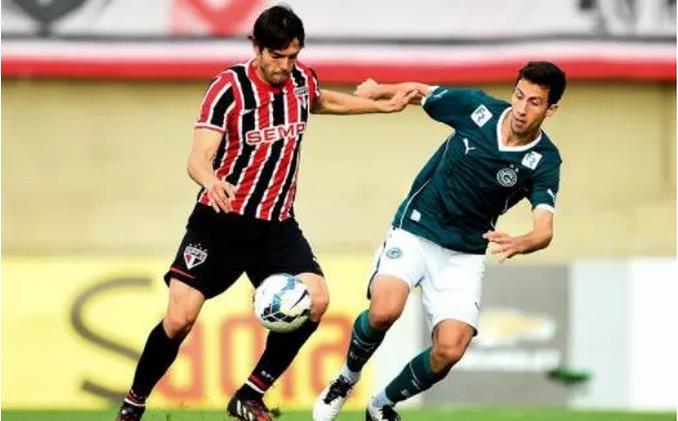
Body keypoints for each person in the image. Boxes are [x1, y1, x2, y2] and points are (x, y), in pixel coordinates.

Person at [115, 5, 415, 421]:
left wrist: (380, 107)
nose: (284, 66)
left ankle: (250, 394)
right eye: (277, 56)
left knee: (316, 300)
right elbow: (197, 157)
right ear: (256, 47)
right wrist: (211, 180)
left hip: (275, 225)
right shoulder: (228, 88)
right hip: (219, 221)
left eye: (292, 56)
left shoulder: (301, 80)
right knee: (179, 319)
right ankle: (134, 403)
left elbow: (321, 100)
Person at [313, 61, 566, 421]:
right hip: (416, 228)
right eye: (519, 96)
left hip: (464, 253)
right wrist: (379, 89)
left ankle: (381, 404)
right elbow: (422, 92)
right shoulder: (477, 108)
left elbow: (544, 229)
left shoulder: (545, 160)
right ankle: (345, 379)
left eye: (534, 102)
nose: (522, 109)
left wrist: (522, 242)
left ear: (551, 109)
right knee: (384, 311)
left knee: (449, 350)